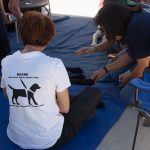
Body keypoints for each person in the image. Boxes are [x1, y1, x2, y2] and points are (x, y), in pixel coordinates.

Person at [0, 11, 100, 149]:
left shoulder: (7, 61)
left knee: (52, 94)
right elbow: (65, 109)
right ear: (49, 37)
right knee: (93, 93)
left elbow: (7, 94)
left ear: (21, 34)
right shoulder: (54, 64)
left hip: (15, 136)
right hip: (49, 140)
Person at [76, 3, 150, 85]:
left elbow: (142, 69)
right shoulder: (131, 14)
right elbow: (131, 53)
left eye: (104, 29)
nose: (105, 32)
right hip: (143, 49)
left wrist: (128, 77)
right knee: (114, 73)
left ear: (112, 26)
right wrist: (95, 49)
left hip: (145, 60)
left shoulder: (137, 30)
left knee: (125, 94)